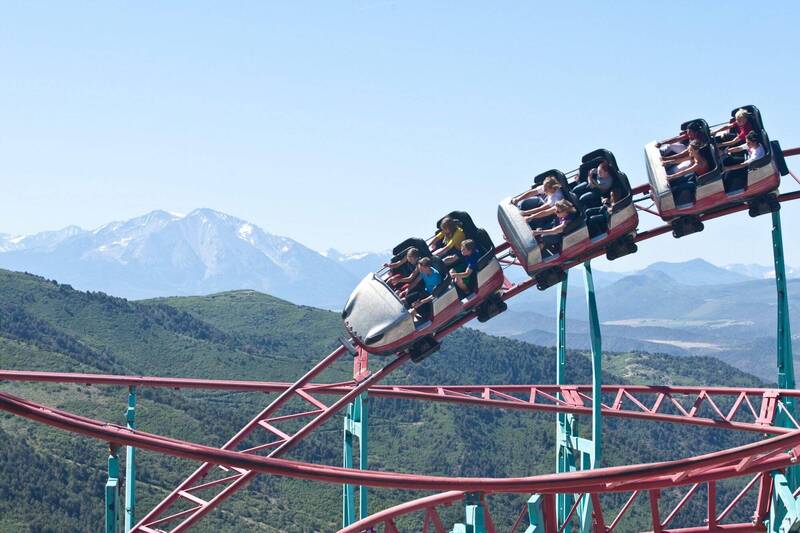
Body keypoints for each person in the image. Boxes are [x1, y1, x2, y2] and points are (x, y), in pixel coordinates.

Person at [663, 140, 710, 206]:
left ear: (696, 151)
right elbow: (681, 160)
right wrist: (668, 162)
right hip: (695, 176)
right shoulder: (695, 156)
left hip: (701, 183)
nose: (688, 151)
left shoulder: (699, 163)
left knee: (690, 183)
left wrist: (672, 176)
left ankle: (672, 191)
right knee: (686, 176)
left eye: (690, 150)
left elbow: (684, 171)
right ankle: (671, 184)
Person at [403, 257, 442, 322]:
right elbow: (416, 282)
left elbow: (434, 295)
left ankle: (415, 319)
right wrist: (407, 290)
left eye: (421, 269)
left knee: (416, 306)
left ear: (427, 267)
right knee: (407, 299)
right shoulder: (423, 272)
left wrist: (421, 302)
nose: (420, 271)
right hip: (424, 293)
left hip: (431, 299)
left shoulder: (436, 277)